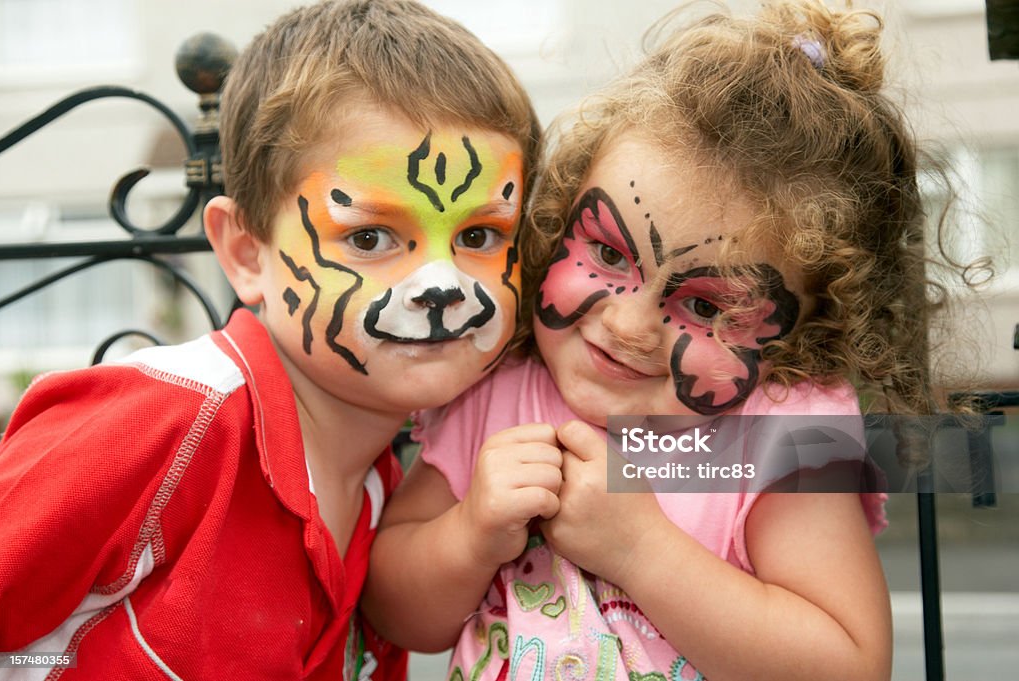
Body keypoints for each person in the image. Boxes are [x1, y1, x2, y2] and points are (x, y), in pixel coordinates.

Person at [363, 2, 966, 680]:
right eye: (611, 255)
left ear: (807, 325)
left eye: (706, 304)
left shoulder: (780, 436)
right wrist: (469, 533)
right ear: (561, 219)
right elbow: (391, 609)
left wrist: (640, 549)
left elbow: (847, 666)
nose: (629, 325)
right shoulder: (497, 392)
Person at [0, 1, 540, 678]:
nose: (442, 284)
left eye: (479, 235)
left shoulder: (387, 494)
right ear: (248, 254)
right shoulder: (166, 422)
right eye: (369, 237)